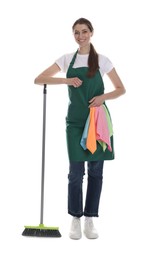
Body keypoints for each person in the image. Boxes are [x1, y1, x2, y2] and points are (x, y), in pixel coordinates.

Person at [34, 17, 126, 240]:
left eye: (84, 31)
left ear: (91, 33)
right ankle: (75, 217)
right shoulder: (66, 59)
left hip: (97, 122)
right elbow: (39, 79)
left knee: (96, 171)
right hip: (75, 123)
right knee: (76, 173)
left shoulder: (103, 61)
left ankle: (89, 218)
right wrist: (67, 81)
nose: (80, 36)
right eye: (76, 32)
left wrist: (102, 97)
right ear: (73, 34)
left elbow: (121, 89)